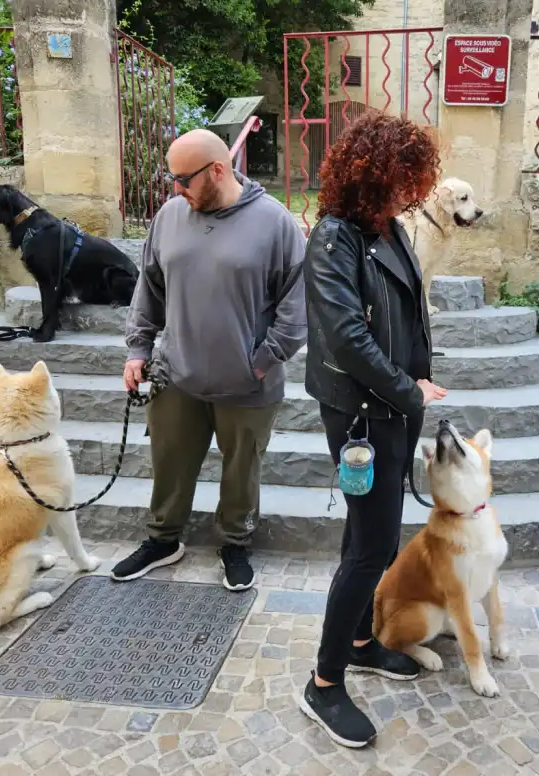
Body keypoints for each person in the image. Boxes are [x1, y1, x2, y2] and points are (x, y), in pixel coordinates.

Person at [298, 112, 448, 748]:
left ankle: (360, 642)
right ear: (371, 176)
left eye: (414, 180)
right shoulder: (335, 239)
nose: (410, 192)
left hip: (394, 410)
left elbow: (408, 314)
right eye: (401, 179)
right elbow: (347, 339)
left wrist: (415, 383)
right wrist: (408, 389)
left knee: (372, 540)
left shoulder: (388, 230)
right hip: (363, 414)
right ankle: (323, 684)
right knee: (370, 547)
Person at [114, 129, 306, 591]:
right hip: (177, 375)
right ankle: (163, 540)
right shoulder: (169, 216)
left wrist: (261, 361)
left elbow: (298, 306)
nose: (176, 188)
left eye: (183, 179)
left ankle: (235, 544)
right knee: (170, 462)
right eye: (171, 178)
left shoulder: (275, 223)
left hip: (248, 382)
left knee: (242, 470)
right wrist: (139, 349)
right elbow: (150, 287)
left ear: (218, 170)